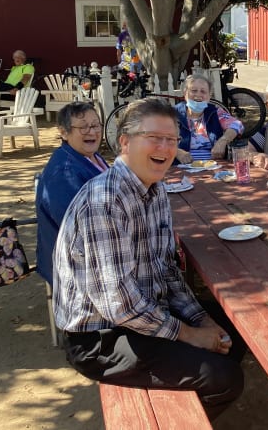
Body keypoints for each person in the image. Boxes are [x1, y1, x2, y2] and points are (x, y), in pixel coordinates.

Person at [52, 98, 246, 420]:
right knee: (224, 378)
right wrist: (190, 334)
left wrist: (200, 319)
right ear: (125, 142)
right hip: (101, 338)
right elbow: (120, 305)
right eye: (154, 138)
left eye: (171, 140)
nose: (165, 147)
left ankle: (187, 398)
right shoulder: (104, 202)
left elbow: (166, 269)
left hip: (144, 314)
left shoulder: (155, 190)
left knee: (232, 335)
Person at [35, 102, 109, 285]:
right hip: (76, 269)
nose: (92, 132)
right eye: (83, 127)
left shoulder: (90, 156)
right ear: (64, 132)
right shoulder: (64, 172)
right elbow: (80, 231)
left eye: (95, 125)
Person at [175, 73, 244, 163]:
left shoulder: (215, 112)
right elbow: (158, 138)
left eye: (203, 91)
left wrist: (223, 141)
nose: (198, 95)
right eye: (194, 90)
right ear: (185, 93)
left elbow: (237, 125)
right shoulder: (173, 114)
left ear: (209, 96)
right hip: (181, 167)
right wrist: (176, 151)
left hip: (213, 165)